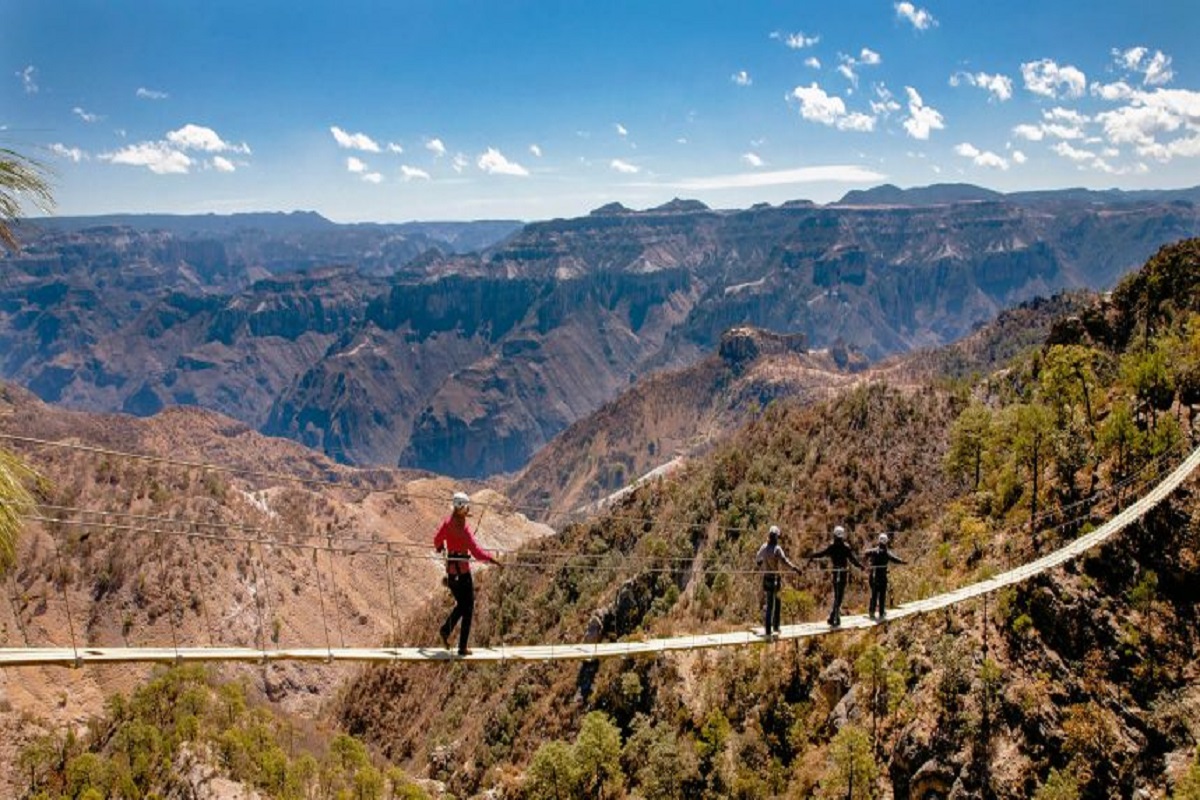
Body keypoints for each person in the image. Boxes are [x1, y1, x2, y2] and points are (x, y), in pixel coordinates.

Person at [433, 491, 502, 656]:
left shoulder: (447, 524)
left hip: (451, 574)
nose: (468, 509)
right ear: (461, 508)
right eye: (466, 507)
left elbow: (437, 539)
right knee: (468, 608)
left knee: (462, 606)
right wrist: (492, 560)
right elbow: (477, 553)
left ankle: (446, 630)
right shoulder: (464, 530)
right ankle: (461, 646)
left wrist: (440, 546)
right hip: (463, 574)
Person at [806, 525, 864, 627]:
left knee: (837, 595)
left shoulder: (832, 546)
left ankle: (833, 617)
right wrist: (861, 566)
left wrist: (812, 555)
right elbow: (852, 559)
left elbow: (822, 553)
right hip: (842, 572)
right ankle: (835, 618)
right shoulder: (846, 547)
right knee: (839, 596)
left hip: (835, 571)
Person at [755, 525, 803, 637]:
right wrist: (795, 568)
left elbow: (758, 558)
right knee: (776, 603)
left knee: (770, 603)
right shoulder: (777, 549)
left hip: (766, 578)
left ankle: (768, 629)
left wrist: (760, 563)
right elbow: (784, 562)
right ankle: (775, 626)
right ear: (776, 537)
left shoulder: (764, 547)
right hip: (775, 579)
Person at [865, 533, 906, 620]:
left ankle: (871, 611)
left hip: (874, 576)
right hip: (882, 576)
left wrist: (867, 563)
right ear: (886, 542)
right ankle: (881, 612)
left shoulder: (873, 551)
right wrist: (902, 562)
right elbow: (895, 559)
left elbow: (866, 553)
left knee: (874, 594)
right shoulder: (887, 553)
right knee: (882, 594)